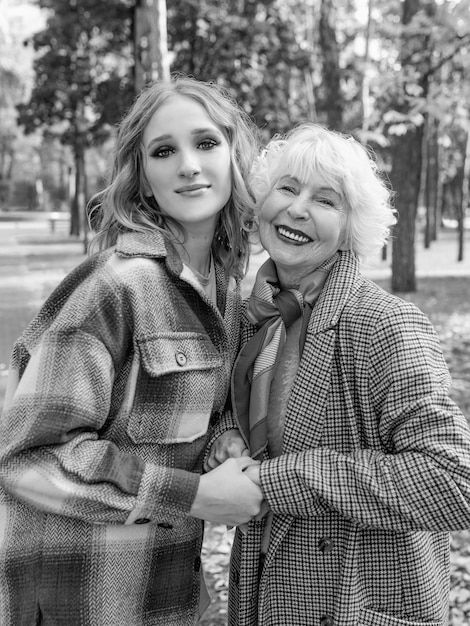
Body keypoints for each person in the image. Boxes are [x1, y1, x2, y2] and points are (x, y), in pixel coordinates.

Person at [0, 75, 264, 625]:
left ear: (235, 157)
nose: (189, 165)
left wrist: (221, 441)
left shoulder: (228, 297)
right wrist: (193, 495)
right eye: (164, 152)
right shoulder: (116, 286)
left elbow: (160, 425)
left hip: (163, 593)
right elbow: (28, 457)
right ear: (142, 181)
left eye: (206, 143)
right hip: (79, 599)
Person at [206, 123, 470, 626]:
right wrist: (229, 439)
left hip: (358, 605)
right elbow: (240, 415)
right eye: (287, 188)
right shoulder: (246, 316)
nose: (298, 208)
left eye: (326, 200)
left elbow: (454, 482)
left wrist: (273, 480)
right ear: (261, 201)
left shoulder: (385, 325)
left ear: (351, 226)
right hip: (263, 597)